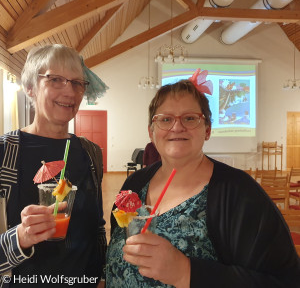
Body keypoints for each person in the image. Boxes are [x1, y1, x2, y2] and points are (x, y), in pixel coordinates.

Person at [106, 70, 300, 288]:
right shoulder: (134, 185)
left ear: (207, 129)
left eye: (190, 118)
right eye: (165, 119)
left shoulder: (241, 194)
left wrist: (186, 273)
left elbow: (286, 281)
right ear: (151, 132)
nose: (177, 127)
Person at [0, 44, 108, 287]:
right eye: (55, 79)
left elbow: (96, 225)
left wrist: (101, 275)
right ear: (30, 88)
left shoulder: (90, 153)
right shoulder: (5, 151)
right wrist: (19, 237)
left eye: (77, 82)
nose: (69, 91)